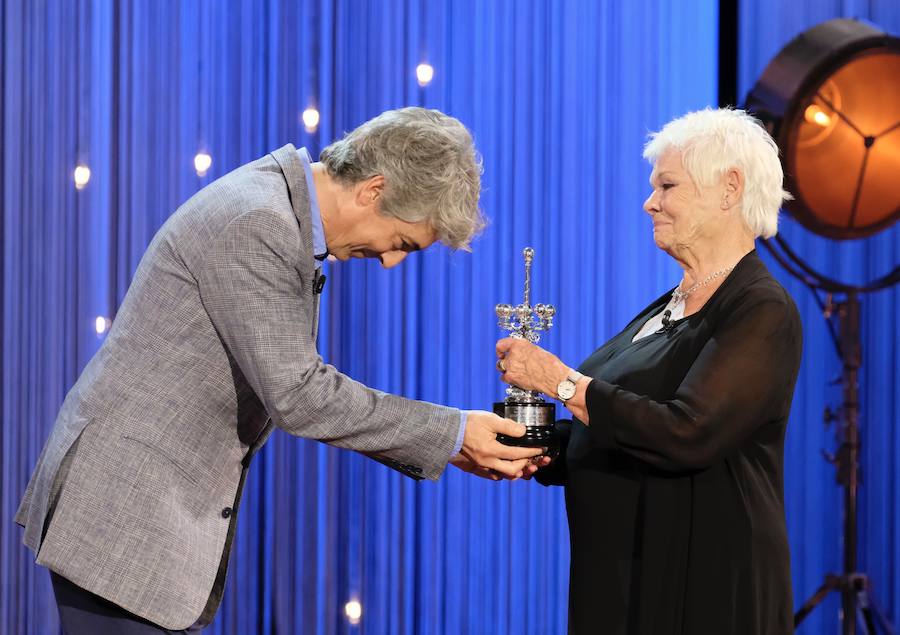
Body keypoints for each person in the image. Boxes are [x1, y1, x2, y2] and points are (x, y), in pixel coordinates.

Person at [16, 107, 544, 633]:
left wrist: (451, 443)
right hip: (124, 517)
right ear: (372, 190)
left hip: (142, 517)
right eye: (402, 242)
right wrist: (452, 434)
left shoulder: (281, 212)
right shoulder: (259, 223)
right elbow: (301, 395)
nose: (390, 262)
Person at [496, 108, 802, 634]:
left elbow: (686, 431)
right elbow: (621, 427)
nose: (649, 202)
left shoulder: (761, 309)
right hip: (621, 577)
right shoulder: (671, 303)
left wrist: (561, 382)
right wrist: (535, 445)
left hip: (700, 588)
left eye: (667, 185)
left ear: (730, 188)